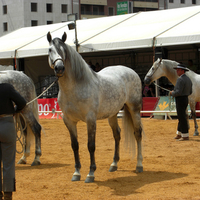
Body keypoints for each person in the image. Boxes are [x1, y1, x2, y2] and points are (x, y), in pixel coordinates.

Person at [0, 83, 27, 200]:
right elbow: (22, 102)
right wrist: (16, 109)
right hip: (7, 124)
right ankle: (7, 194)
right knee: (8, 163)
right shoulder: (6, 87)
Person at [169, 63, 192, 141]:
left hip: (180, 99)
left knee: (182, 117)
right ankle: (179, 134)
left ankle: (185, 135)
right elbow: (190, 91)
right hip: (185, 98)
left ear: (183, 71)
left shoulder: (180, 79)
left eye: (178, 70)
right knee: (181, 116)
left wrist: (172, 93)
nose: (177, 71)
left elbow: (178, 92)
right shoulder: (188, 79)